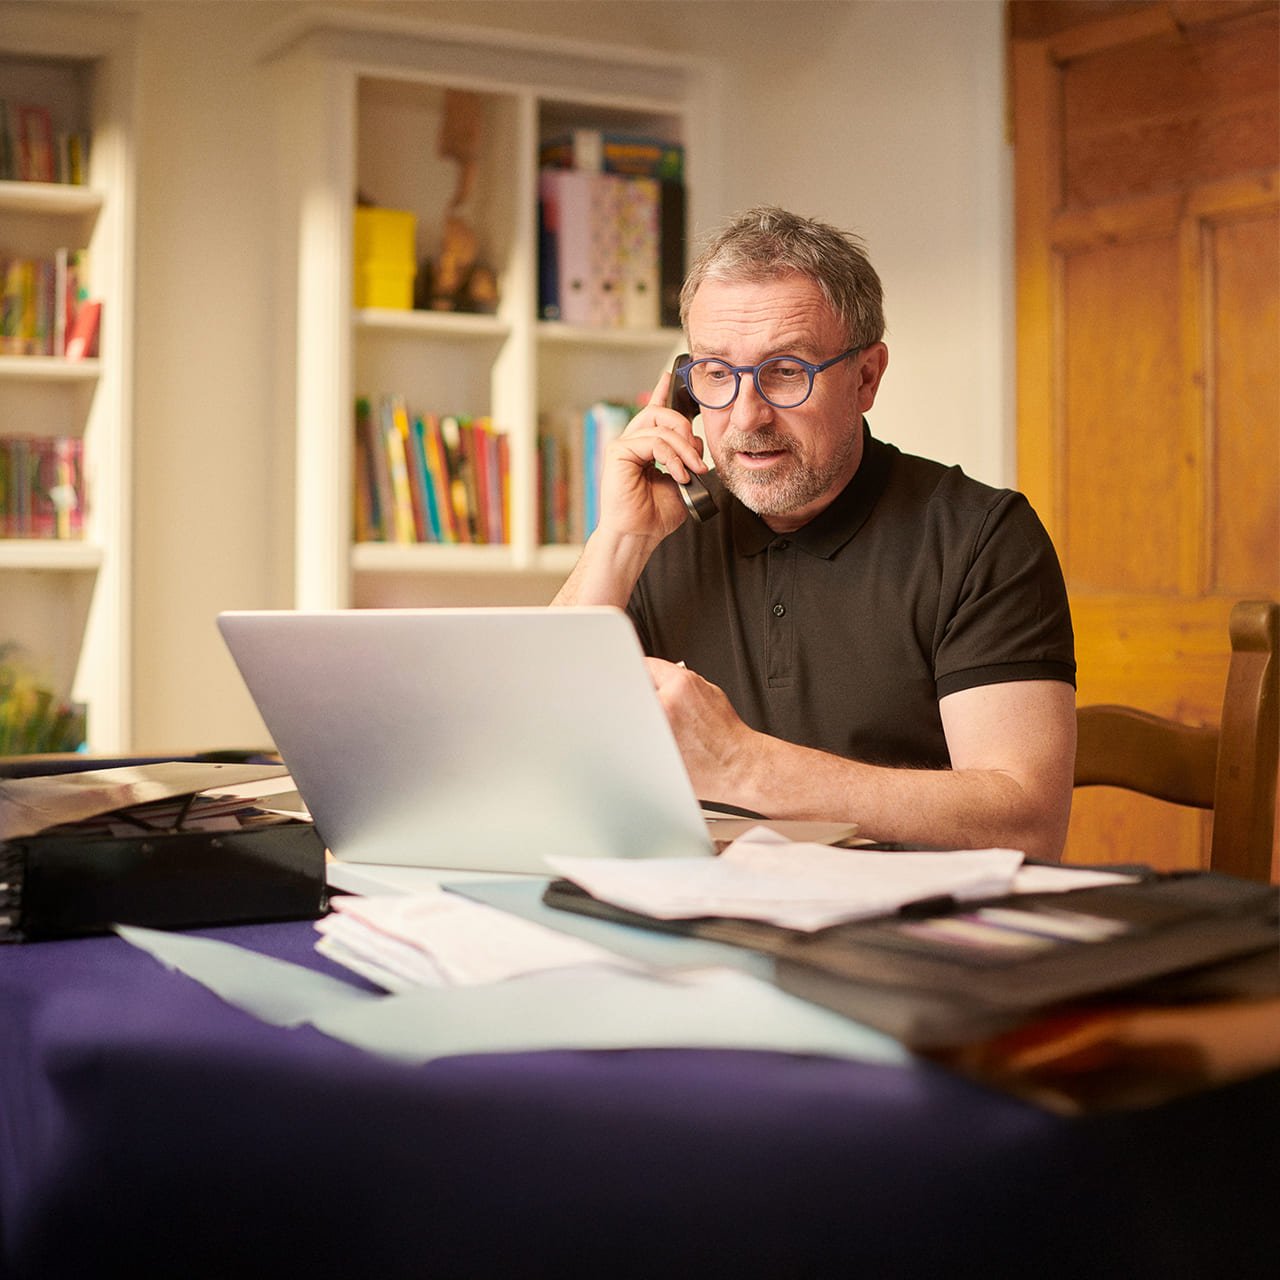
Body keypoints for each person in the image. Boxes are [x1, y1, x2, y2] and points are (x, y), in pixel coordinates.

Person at [554, 207, 1076, 861]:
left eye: (785, 371)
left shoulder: (982, 538)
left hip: (901, 940)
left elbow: (1027, 824)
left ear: (866, 377)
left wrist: (747, 767)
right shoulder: (660, 527)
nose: (747, 416)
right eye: (717, 373)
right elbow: (529, 756)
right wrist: (621, 540)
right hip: (700, 922)